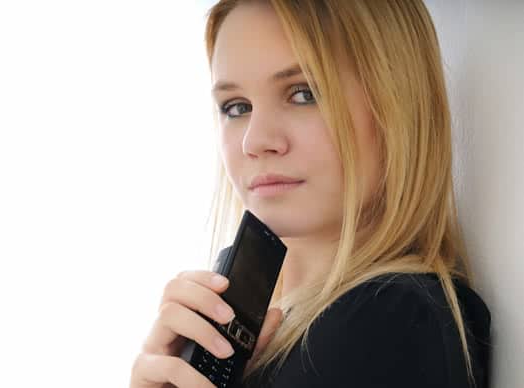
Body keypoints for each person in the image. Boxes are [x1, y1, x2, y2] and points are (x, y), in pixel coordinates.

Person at [129, 0, 492, 387]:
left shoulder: (391, 319)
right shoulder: (244, 322)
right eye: (236, 107)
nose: (256, 141)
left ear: (396, 105)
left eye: (303, 94)